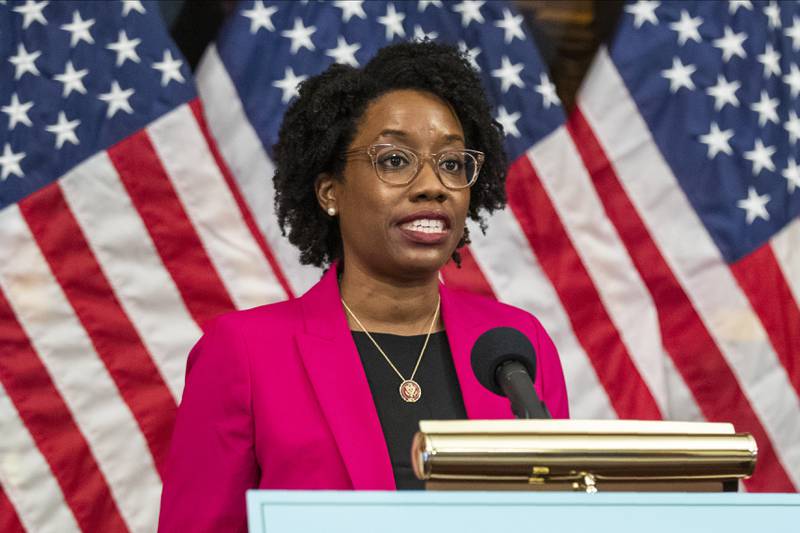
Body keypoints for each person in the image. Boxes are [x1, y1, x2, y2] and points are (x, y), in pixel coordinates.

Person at [157, 40, 568, 531]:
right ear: (330, 191)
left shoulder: (515, 348)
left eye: (453, 163)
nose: (433, 185)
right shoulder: (245, 353)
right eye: (394, 160)